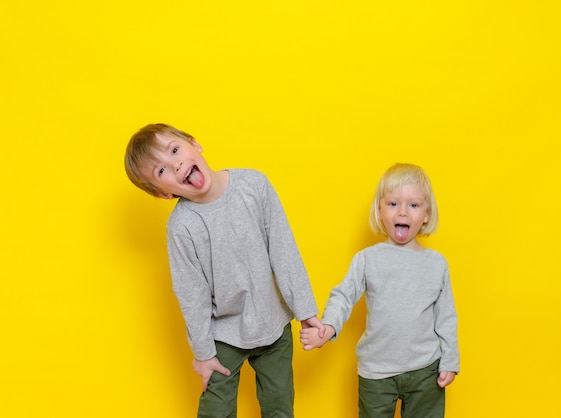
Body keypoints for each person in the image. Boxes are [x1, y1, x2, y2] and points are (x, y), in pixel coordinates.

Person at [124, 123, 324, 418]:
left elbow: (284, 252)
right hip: (223, 334)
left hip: (273, 322)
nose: (176, 164)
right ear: (162, 194)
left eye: (175, 150)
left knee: (280, 405)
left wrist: (306, 312)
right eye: (162, 171)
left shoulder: (254, 186)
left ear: (195, 143)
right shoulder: (182, 227)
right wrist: (204, 354)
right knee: (215, 410)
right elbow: (192, 296)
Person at [300, 163, 459, 418]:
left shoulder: (436, 264)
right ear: (379, 210)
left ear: (427, 214)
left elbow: (446, 316)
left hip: (425, 370)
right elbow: (344, 296)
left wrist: (450, 360)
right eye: (393, 204)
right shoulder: (367, 259)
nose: (403, 213)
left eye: (414, 205)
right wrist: (328, 327)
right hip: (376, 371)